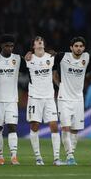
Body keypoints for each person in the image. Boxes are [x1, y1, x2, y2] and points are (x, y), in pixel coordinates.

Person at [53, 36, 91, 165]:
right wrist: (60, 86)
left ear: (84, 48)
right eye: (76, 46)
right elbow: (53, 71)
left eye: (81, 46)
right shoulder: (62, 57)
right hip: (64, 98)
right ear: (71, 47)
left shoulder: (87, 58)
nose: (78, 48)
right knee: (65, 127)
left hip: (78, 99)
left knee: (75, 129)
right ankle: (70, 156)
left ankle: (70, 155)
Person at [26, 36, 63, 166]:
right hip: (35, 97)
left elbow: (55, 73)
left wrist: (60, 86)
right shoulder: (28, 60)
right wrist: (28, 54)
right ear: (33, 46)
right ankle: (38, 157)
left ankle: (57, 158)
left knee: (54, 125)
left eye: (41, 39)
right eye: (36, 40)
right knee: (34, 126)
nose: (40, 41)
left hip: (49, 97)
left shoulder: (51, 58)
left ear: (44, 44)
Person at [0, 34, 26, 165]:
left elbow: (30, 68)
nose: (9, 48)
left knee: (12, 127)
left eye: (11, 46)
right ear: (1, 46)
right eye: (7, 46)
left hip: (12, 100)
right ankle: (0, 157)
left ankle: (14, 156)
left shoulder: (17, 59)